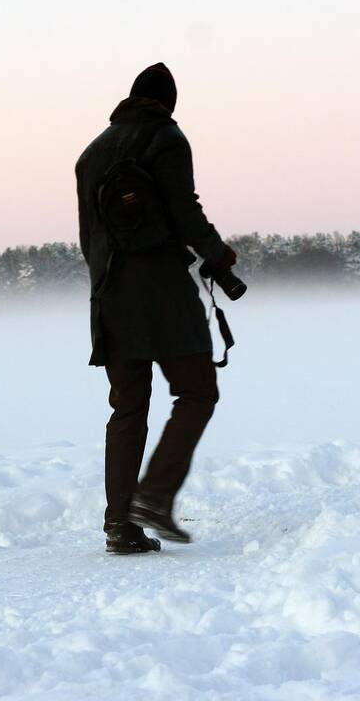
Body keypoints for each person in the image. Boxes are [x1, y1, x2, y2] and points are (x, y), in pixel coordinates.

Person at [75, 62, 237, 554]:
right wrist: (218, 255)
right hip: (163, 292)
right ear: (167, 101)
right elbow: (185, 210)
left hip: (110, 295)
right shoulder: (167, 136)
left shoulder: (91, 154)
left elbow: (89, 238)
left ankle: (120, 526)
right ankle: (155, 496)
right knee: (197, 390)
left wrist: (107, 284)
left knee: (128, 408)